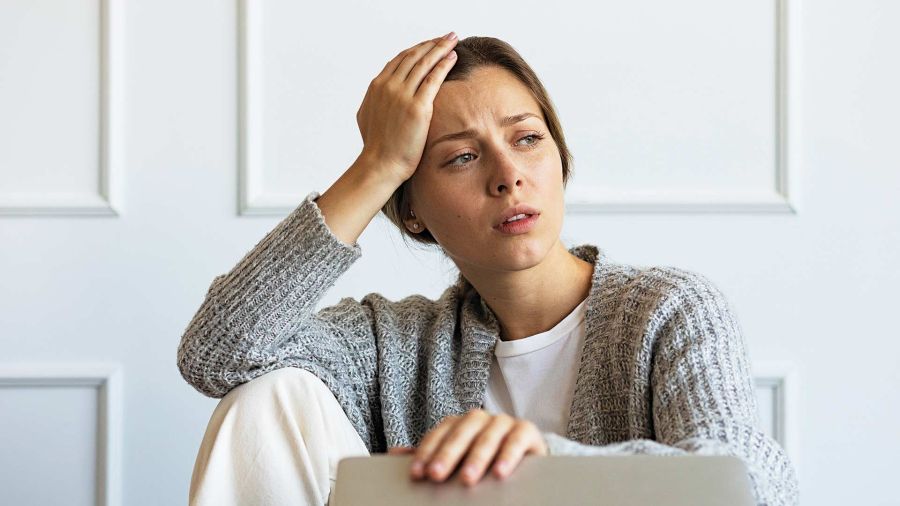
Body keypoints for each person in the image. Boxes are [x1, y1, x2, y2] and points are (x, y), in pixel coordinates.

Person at [177, 32, 799, 506]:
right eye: (462, 157)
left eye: (527, 139)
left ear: (560, 159)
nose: (508, 175)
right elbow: (216, 354)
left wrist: (548, 461)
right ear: (412, 210)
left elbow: (752, 484)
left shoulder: (667, 311)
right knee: (269, 395)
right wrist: (375, 166)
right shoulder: (390, 346)